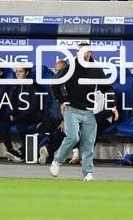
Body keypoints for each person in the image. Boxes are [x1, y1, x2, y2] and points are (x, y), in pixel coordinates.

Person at [50, 43, 119, 180]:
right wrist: (62, 101)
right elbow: (55, 85)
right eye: (79, 51)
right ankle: (57, 160)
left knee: (88, 142)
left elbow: (107, 89)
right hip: (72, 109)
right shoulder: (69, 68)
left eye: (85, 51)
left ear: (90, 53)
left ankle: (87, 173)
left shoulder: (96, 70)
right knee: (73, 137)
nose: (82, 54)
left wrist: (112, 105)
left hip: (88, 111)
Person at [0, 67, 43, 163]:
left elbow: (34, 106)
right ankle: (11, 150)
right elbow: (11, 100)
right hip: (17, 115)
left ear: (27, 73)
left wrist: (19, 115)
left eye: (20, 71)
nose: (18, 74)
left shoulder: (34, 86)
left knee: (21, 127)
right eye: (17, 72)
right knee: (1, 125)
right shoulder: (15, 85)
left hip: (30, 115)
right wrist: (11, 113)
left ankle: (23, 153)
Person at [36, 59, 68, 164]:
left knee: (59, 133)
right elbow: (48, 103)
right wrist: (43, 120)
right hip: (52, 116)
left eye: (60, 70)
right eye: (56, 70)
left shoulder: (71, 86)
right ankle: (22, 153)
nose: (57, 73)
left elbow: (73, 105)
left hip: (65, 119)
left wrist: (65, 120)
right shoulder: (52, 84)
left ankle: (47, 151)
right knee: (41, 129)